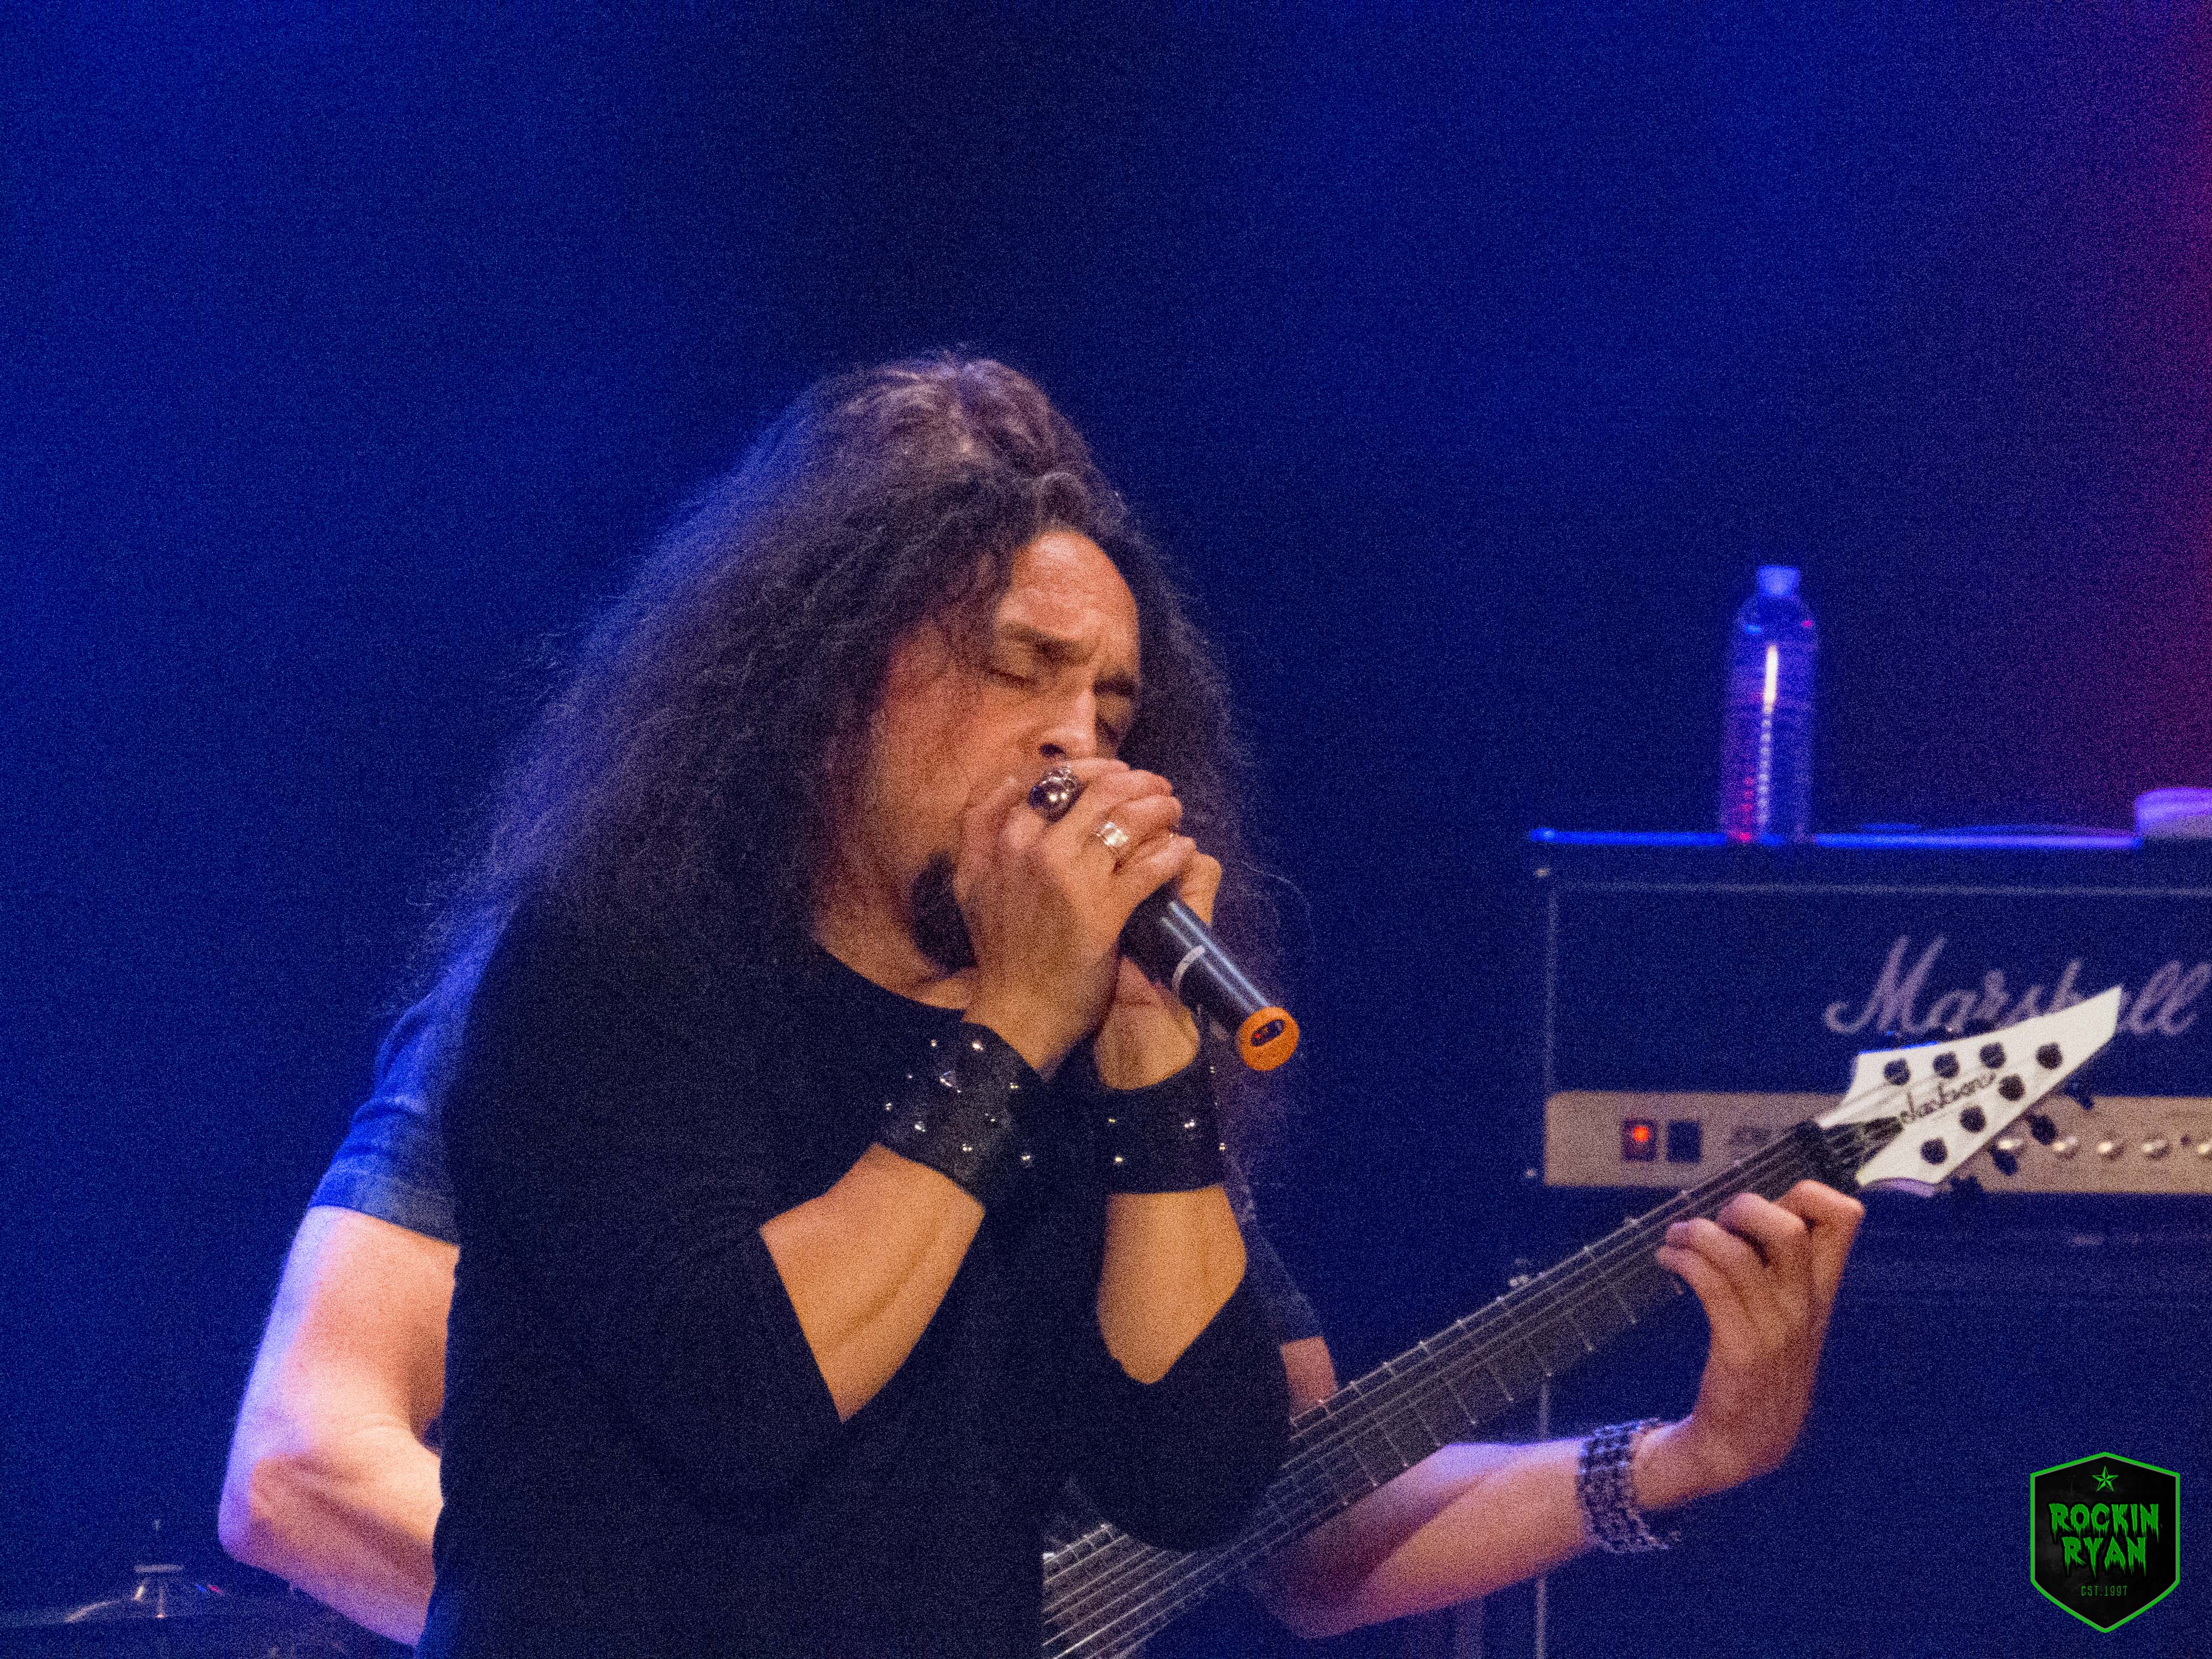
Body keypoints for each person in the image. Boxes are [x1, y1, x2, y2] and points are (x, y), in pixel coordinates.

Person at [222, 355, 1864, 1650]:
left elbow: (1202, 1479)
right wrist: (1014, 1019)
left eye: (1116, 705)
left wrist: (1149, 1067)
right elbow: (750, 1394)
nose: (1081, 739)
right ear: (832, 679)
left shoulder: (1077, 1037)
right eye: (1023, 674)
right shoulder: (611, 965)